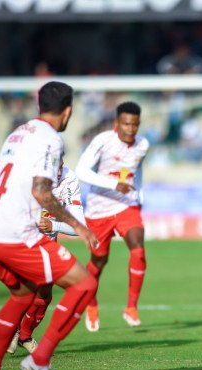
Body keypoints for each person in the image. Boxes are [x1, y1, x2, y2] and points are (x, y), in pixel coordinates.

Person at [0, 81, 98, 370]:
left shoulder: (17, 132)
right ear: (67, 111)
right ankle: (39, 361)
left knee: (23, 295)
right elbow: (42, 191)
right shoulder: (51, 139)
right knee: (84, 283)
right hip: (16, 233)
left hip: (0, 227)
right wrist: (77, 225)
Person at [76, 102, 149, 332]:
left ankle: (131, 307)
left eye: (134, 124)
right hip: (99, 209)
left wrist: (140, 194)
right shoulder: (102, 141)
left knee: (138, 248)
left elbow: (137, 171)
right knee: (99, 260)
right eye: (126, 123)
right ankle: (91, 302)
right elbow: (81, 171)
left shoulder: (143, 144)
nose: (130, 129)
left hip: (127, 205)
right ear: (117, 123)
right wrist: (113, 184)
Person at [7, 159, 85, 355]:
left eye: (58, 167)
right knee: (25, 291)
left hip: (48, 246)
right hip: (21, 242)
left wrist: (54, 226)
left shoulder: (69, 179)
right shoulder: (26, 178)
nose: (55, 173)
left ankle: (23, 335)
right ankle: (11, 334)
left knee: (44, 295)